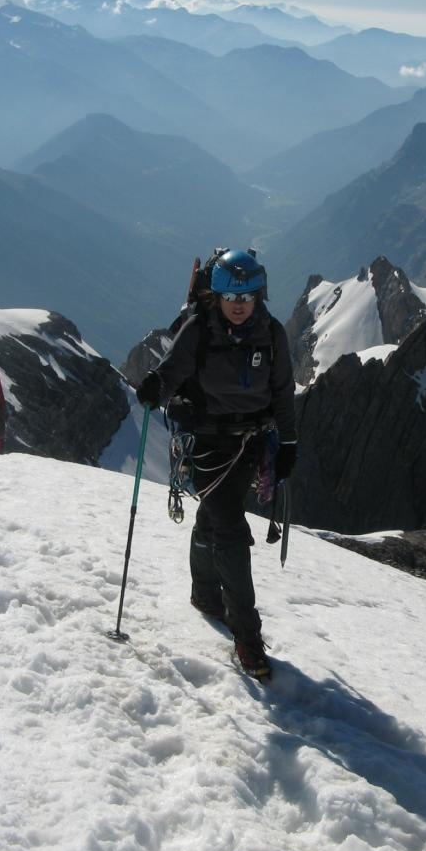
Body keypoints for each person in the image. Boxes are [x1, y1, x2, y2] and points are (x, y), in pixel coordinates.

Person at [135, 248, 297, 678]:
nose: (239, 304)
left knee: (213, 517)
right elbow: (173, 370)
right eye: (231, 296)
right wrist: (155, 385)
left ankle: (205, 595)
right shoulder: (200, 330)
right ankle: (247, 637)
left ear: (258, 295)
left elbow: (282, 392)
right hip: (208, 444)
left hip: (251, 445)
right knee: (230, 528)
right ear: (218, 297)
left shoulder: (272, 334)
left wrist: (290, 442)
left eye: (246, 296)